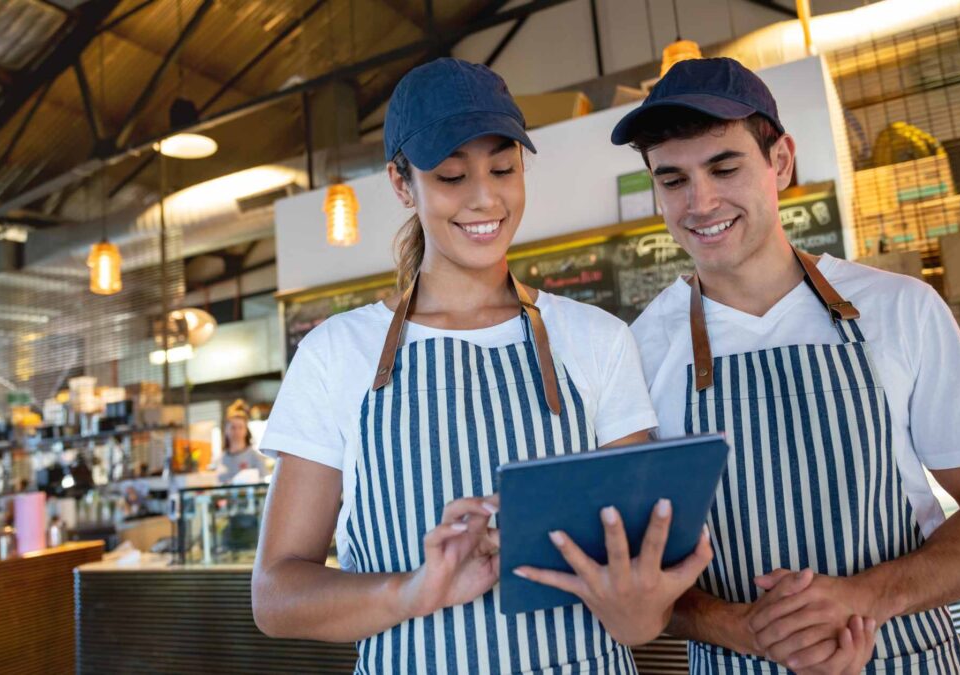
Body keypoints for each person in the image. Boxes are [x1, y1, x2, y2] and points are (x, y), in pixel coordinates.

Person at [252, 58, 710, 674]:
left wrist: (639, 605)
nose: (484, 198)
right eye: (450, 175)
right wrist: (415, 591)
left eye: (503, 168)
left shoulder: (596, 339)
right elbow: (276, 596)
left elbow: (642, 615)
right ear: (401, 184)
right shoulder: (337, 353)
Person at [610, 58, 960, 674]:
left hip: (904, 657)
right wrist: (738, 625)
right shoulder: (638, 350)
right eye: (672, 180)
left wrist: (859, 599)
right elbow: (631, 571)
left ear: (780, 161)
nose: (700, 202)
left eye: (724, 167)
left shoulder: (901, 309)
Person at [216, 399, 267, 484]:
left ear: (246, 430)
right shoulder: (220, 459)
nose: (237, 431)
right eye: (233, 427)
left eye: (240, 427)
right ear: (226, 430)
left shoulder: (255, 457)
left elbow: (262, 483)